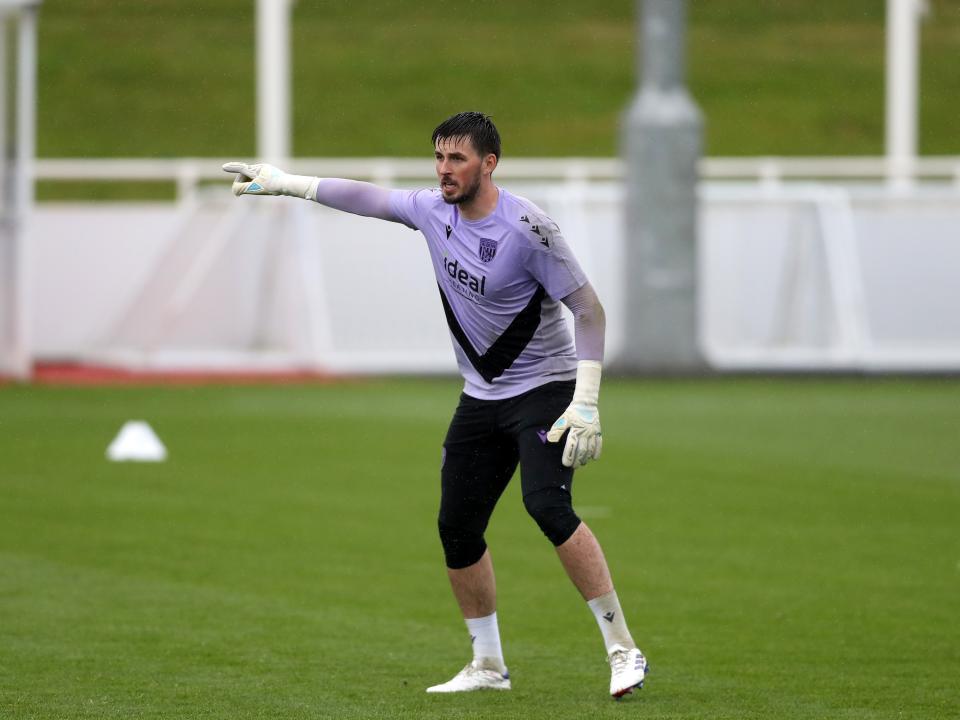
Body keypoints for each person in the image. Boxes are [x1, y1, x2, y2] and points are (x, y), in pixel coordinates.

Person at [222, 111, 647, 699]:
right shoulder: (431, 211)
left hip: (545, 389)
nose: (445, 171)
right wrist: (286, 181)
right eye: (439, 158)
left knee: (547, 506)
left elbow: (590, 310)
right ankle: (488, 665)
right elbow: (367, 198)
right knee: (457, 527)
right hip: (481, 396)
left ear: (489, 163)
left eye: (458, 159)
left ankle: (623, 649)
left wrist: (587, 402)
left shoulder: (529, 228)